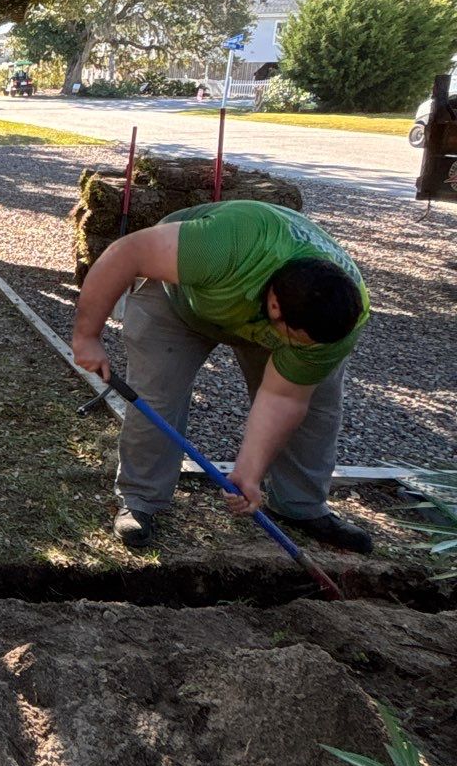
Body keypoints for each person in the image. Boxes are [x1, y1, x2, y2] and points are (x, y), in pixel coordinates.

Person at [70, 199, 372, 552]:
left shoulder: (337, 319)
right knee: (157, 394)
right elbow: (126, 252)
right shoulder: (223, 246)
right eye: (295, 340)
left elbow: (282, 398)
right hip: (180, 298)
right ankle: (141, 500)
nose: (298, 347)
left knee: (316, 406)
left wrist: (248, 472)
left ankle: (300, 506)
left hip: (266, 312)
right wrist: (88, 336)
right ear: (274, 307)